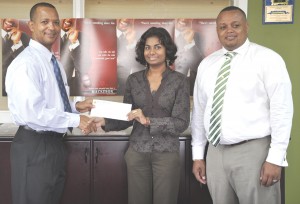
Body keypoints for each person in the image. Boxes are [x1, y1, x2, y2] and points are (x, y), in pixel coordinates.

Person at [191, 6, 293, 204]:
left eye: (235, 25)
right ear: (217, 31)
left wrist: (275, 158)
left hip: (254, 153)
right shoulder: (207, 65)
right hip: (215, 153)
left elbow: (282, 110)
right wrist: (198, 155)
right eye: (222, 27)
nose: (229, 30)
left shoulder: (268, 59)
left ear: (246, 26)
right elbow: (200, 111)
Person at [5, 3, 97, 204]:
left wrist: (75, 107)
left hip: (54, 144)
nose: (52, 27)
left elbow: (50, 104)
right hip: (35, 145)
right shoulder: (26, 64)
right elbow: (34, 113)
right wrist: (75, 119)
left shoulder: (52, 62)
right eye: (44, 22)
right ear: (31, 25)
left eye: (56, 22)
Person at [91, 27, 190, 204]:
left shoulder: (180, 81)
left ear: (167, 49)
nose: (152, 52)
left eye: (158, 47)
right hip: (137, 152)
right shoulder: (133, 80)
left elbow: (181, 122)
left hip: (166, 153)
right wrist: (104, 121)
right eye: (147, 47)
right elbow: (127, 116)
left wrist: (148, 121)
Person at [60, 18, 91, 96]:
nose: (68, 19)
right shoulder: (48, 36)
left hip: (74, 85)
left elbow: (84, 65)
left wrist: (74, 42)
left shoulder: (83, 37)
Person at [174, 18, 203, 95]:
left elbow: (200, 66)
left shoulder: (197, 36)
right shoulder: (165, 35)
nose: (183, 18)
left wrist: (190, 43)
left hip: (190, 90)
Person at [2, 18, 30, 96]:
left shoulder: (26, 37)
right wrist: (15, 47)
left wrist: (17, 43)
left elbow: (29, 64)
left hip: (19, 90)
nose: (10, 18)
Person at [116, 18, 144, 95]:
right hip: (122, 85)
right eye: (127, 34)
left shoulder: (139, 50)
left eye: (129, 33)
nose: (126, 36)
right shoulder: (124, 47)